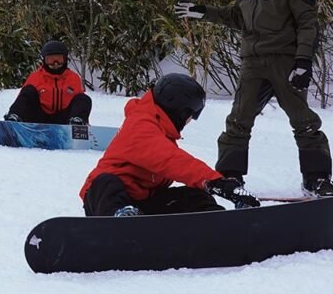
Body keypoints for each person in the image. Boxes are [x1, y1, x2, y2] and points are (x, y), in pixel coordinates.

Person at [174, 0, 333, 197]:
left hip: (284, 60)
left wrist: (302, 62)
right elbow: (239, 17)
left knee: (303, 120)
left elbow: (308, 23)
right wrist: (205, 12)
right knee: (238, 119)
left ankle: (317, 178)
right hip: (253, 62)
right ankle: (229, 176)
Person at [79, 73, 260, 217]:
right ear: (180, 111)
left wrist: (225, 189)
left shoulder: (160, 129)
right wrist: (217, 182)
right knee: (105, 182)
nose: (191, 121)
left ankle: (215, 223)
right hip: (106, 202)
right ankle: (121, 220)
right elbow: (171, 160)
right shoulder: (140, 124)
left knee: (196, 196)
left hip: (142, 205)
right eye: (192, 115)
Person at [4, 40, 92, 124]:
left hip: (64, 120)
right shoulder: (36, 77)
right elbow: (23, 99)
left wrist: (80, 116)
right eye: (51, 60)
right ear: (44, 60)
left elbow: (80, 104)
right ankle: (13, 119)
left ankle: (77, 124)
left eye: (59, 59)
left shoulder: (73, 78)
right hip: (38, 118)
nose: (55, 63)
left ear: (65, 59)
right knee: (28, 90)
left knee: (83, 98)